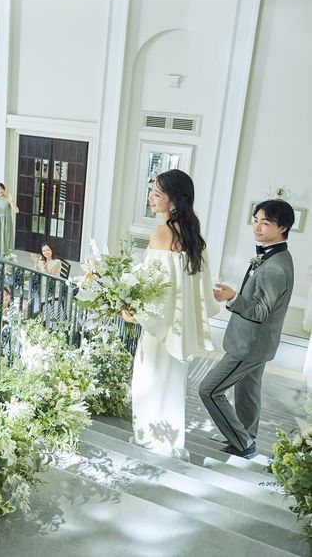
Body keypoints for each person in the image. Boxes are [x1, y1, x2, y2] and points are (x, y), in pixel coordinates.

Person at [123, 169, 218, 459]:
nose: (151, 198)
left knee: (148, 381)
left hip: (159, 326)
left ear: (174, 200)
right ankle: (169, 442)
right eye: (151, 191)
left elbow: (155, 286)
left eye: (157, 193)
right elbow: (199, 288)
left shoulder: (160, 233)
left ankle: (149, 440)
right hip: (180, 327)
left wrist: (134, 312)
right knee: (172, 384)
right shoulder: (195, 238)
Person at [199, 199, 295, 459]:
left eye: (265, 223)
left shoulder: (275, 267)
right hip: (258, 343)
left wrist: (233, 297)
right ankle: (247, 437)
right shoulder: (276, 256)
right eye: (255, 220)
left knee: (209, 390)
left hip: (249, 345)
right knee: (248, 392)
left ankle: (243, 443)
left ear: (282, 227)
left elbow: (261, 311)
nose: (257, 227)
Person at [0, 182, 19, 256]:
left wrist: (11, 201)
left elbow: (16, 211)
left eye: (1, 189)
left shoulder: (8, 199)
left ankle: (4, 256)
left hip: (5, 223)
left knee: (5, 239)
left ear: (4, 190)